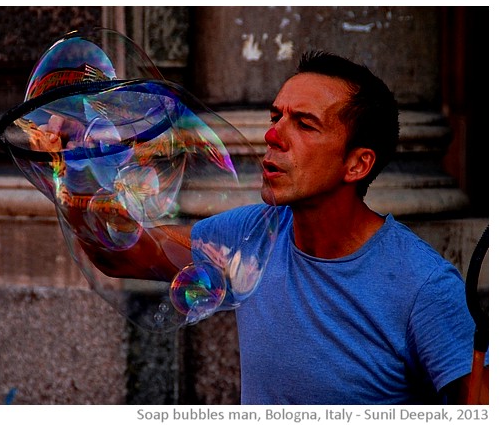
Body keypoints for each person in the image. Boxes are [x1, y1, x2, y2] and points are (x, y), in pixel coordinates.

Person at [52, 51, 487, 404]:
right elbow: (120, 252)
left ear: (358, 164)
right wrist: (77, 167)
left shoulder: (424, 287)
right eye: (276, 116)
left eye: (304, 123)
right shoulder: (252, 234)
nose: (273, 135)